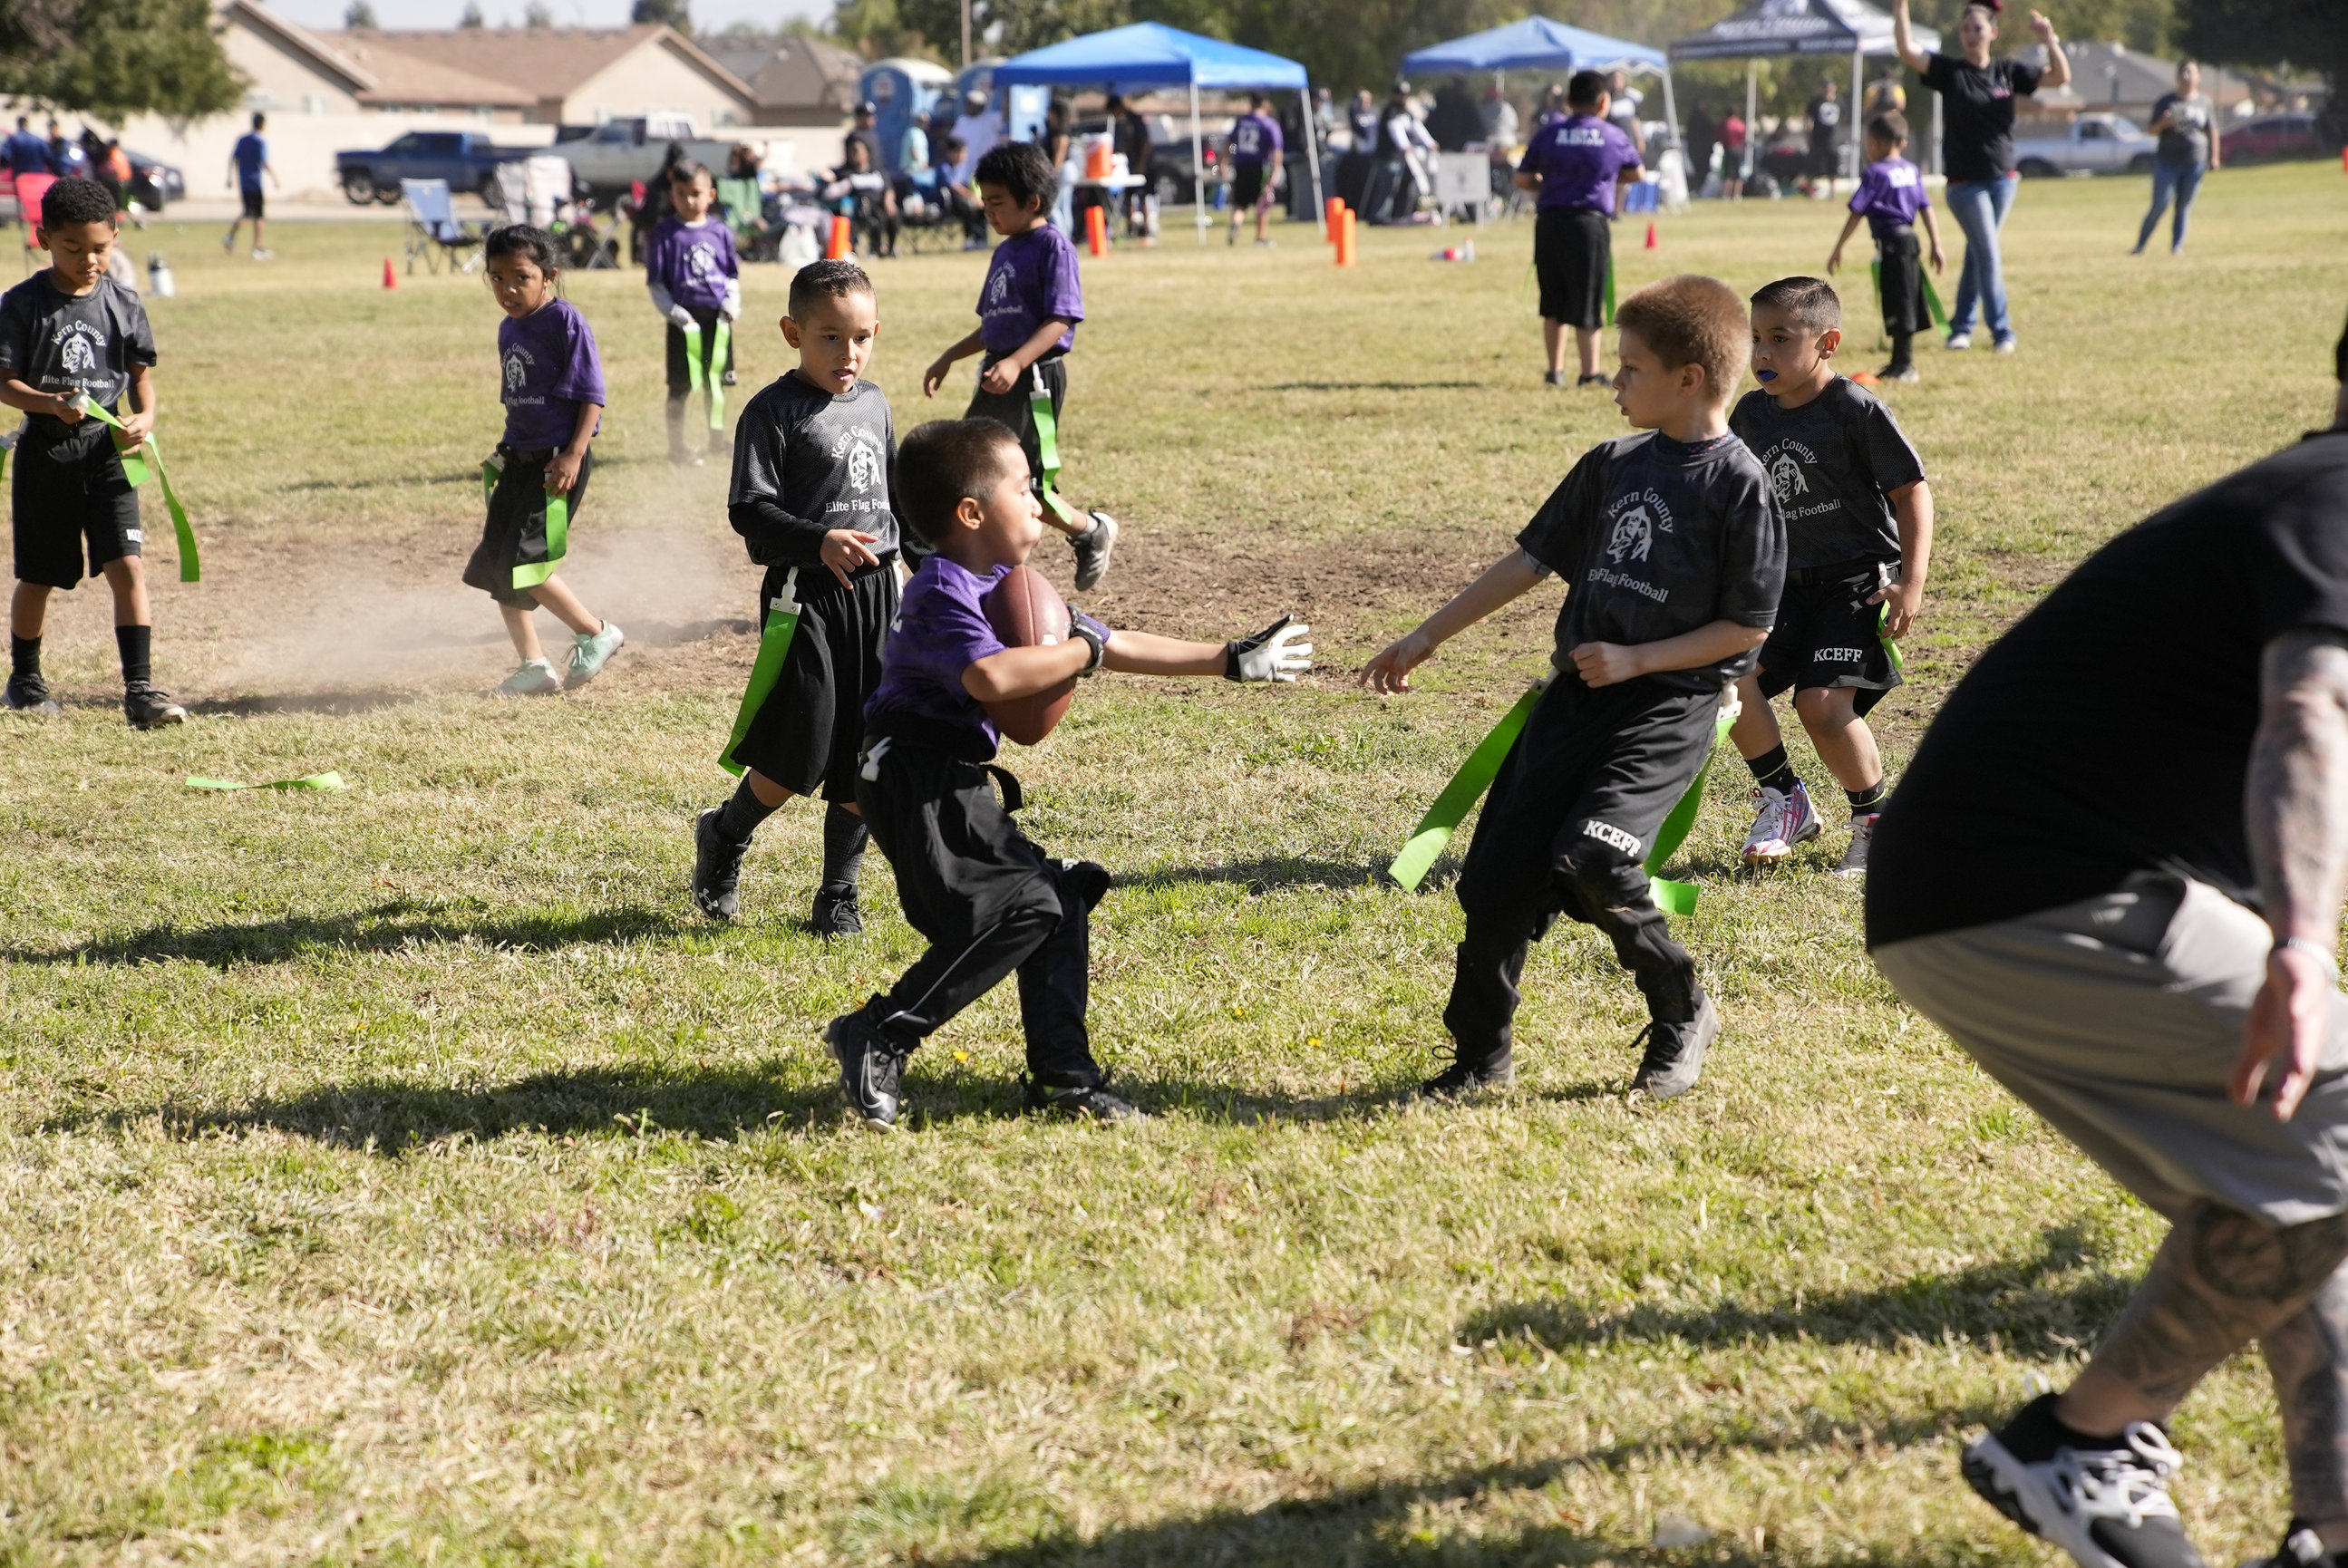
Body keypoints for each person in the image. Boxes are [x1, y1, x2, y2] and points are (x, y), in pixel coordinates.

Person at [1867, 316, 2348, 1568]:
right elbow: (2309, 713)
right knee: (2335, 1127)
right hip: (2042, 880)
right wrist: (2300, 947)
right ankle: (2080, 1436)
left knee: (2291, 1186)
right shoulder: (2333, 495)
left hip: (1997, 885)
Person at [1361, 276, 1785, 1102]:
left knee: (1595, 860)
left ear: (1688, 378)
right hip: (1572, 704)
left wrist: (1637, 660)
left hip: (1667, 711)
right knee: (1492, 885)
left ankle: (1682, 1008)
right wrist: (1425, 636)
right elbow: (1529, 561)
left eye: (1630, 369)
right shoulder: (1612, 464)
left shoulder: (1740, 487)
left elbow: (1747, 631)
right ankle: (1480, 1060)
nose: (1616, 383)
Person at [824, 417, 1312, 1130]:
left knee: (1058, 898)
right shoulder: (942, 588)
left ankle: (1064, 1078)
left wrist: (1230, 658)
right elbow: (990, 677)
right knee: (1025, 907)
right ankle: (880, 1030)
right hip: (912, 776)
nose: (1039, 505)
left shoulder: (1003, 584)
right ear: (971, 513)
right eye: (1024, 490)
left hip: (947, 776)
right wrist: (1081, 653)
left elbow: (1118, 644)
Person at [692, 259, 900, 936]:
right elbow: (749, 512)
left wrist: (930, 574)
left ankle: (837, 897)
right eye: (830, 338)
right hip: (804, 596)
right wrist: (817, 542)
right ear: (792, 333)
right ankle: (725, 833)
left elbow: (896, 509)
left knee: (867, 751)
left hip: (877, 598)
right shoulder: (771, 411)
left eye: (861, 337)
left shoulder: (875, 403)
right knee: (796, 752)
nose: (849, 353)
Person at [1725, 276, 1932, 876]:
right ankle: (1785, 797)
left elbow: (1911, 492)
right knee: (1732, 685)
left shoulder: (1853, 408)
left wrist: (1911, 582)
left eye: (1780, 339)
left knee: (1820, 705)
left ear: (1828, 343)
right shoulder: (1749, 415)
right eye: (1756, 339)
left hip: (1855, 580)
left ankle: (1873, 822)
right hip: (1782, 584)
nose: (1763, 354)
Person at [0, 178, 184, 729]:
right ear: (44, 239)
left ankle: (140, 690)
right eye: (72, 249)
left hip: (110, 456)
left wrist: (145, 418)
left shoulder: (124, 302)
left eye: (100, 249)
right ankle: (25, 681)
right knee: (39, 576)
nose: (88, 261)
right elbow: (4, 383)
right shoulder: (23, 304)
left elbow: (141, 380)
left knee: (127, 566)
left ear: (116, 238)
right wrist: (48, 403)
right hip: (46, 457)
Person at [919, 141, 1119, 592]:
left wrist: (1016, 361)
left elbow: (1061, 319)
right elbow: (993, 325)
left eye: (997, 203)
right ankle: (973, 568)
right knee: (968, 470)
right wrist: (949, 356)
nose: (988, 213)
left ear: (1031, 201)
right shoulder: (1005, 251)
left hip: (1034, 381)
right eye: (984, 202)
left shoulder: (1053, 247)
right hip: (998, 374)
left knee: (1025, 485)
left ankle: (1089, 530)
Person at [469, 225, 624, 697]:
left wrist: (574, 453)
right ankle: (533, 665)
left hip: (558, 464)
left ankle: (597, 632)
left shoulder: (564, 322)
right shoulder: (509, 328)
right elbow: (520, 401)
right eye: (496, 278)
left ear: (548, 276)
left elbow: (590, 396)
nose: (507, 289)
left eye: (520, 277)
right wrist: (505, 449)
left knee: (528, 564)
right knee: (501, 563)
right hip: (520, 461)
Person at [1894, 0, 2070, 353]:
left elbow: (2059, 77)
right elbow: (1907, 50)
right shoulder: (1951, 72)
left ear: (1993, 32)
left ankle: (1960, 329)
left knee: (1979, 255)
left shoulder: (2007, 71)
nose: (1972, 35)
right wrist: (1900, 6)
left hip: (2004, 179)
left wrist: (2050, 41)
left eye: (1978, 28)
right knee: (1988, 253)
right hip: (1964, 184)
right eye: (1966, 29)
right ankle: (2002, 332)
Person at [1517, 70, 1644, 389]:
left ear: (1569, 101)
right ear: (1603, 101)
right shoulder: (1612, 135)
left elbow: (1522, 179)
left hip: (1549, 223)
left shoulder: (1549, 133)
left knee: (1553, 299)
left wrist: (1546, 186)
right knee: (1588, 298)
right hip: (1589, 225)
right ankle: (1589, 372)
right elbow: (1637, 173)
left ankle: (1554, 370)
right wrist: (1606, 180)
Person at [1828, 111, 1946, 382]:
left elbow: (1857, 211)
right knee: (1903, 300)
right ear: (1902, 143)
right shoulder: (1911, 170)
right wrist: (1936, 244)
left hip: (1892, 244)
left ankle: (1904, 365)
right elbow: (1926, 209)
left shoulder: (1875, 173)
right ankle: (1897, 362)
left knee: (1899, 302)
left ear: (1876, 143)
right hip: (1910, 241)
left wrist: (1839, 247)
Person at [644, 161, 741, 466]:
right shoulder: (665, 233)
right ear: (672, 195)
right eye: (681, 193)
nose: (688, 200)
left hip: (717, 320)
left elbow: (731, 276)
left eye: (695, 193)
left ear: (710, 194)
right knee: (681, 385)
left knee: (716, 383)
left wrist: (731, 306)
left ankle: (716, 439)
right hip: (684, 323)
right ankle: (677, 446)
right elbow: (657, 284)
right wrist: (676, 314)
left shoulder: (720, 231)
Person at [2136, 59, 2219, 256]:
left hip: (2195, 161)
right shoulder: (2166, 101)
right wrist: (2163, 123)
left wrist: (2214, 157)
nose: (2186, 76)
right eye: (2183, 72)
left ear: (2199, 77)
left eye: (2191, 72)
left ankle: (2176, 247)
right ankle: (2140, 246)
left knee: (2183, 205)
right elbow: (2151, 130)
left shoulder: (2204, 102)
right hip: (2167, 160)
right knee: (2160, 204)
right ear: (2177, 76)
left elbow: (2212, 130)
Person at [1225, 92, 1284, 248]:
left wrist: (1222, 162)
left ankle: (1236, 223)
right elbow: (1277, 150)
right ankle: (1260, 237)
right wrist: (1276, 170)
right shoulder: (1268, 124)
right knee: (1263, 202)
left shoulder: (1242, 121)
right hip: (1260, 166)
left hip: (1241, 164)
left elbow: (1228, 142)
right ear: (1265, 104)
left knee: (1240, 203)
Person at [222, 112, 277, 261]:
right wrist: (274, 178)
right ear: (262, 124)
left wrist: (229, 177)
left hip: (244, 182)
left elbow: (234, 158)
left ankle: (232, 236)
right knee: (257, 216)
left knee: (249, 213)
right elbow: (264, 161)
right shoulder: (259, 142)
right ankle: (256, 248)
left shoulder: (243, 140)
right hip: (255, 182)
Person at [1107, 93, 1154, 242]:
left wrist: (1141, 164)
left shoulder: (1135, 120)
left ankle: (1146, 227)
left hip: (1142, 164)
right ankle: (1130, 227)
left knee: (1143, 196)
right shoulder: (1124, 122)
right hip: (1130, 164)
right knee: (1128, 197)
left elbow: (1145, 143)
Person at [936, 134, 986, 249]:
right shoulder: (943, 166)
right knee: (969, 206)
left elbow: (968, 184)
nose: (964, 156)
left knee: (983, 206)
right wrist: (973, 197)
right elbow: (953, 186)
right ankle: (968, 239)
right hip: (948, 202)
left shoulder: (962, 167)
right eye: (962, 152)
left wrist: (978, 198)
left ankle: (980, 238)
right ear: (951, 153)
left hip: (965, 198)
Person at [1037, 98, 1075, 237]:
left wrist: (1054, 172)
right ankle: (1066, 236)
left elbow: (1060, 150)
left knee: (1052, 205)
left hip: (1062, 168)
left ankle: (1060, 235)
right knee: (1064, 206)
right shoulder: (1054, 128)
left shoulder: (1060, 129)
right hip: (1066, 169)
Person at [1805, 77, 1846, 193]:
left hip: (1832, 139)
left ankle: (1833, 191)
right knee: (1812, 165)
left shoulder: (1839, 102)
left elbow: (1843, 117)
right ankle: (1809, 190)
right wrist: (1807, 134)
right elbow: (1808, 118)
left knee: (1832, 165)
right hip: (1817, 138)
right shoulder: (1815, 102)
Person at [950, 89, 1001, 170]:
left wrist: (1006, 92)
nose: (968, 107)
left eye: (972, 104)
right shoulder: (962, 121)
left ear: (981, 106)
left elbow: (1006, 115)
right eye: (968, 103)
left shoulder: (990, 119)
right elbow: (954, 142)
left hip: (985, 166)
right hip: (964, 169)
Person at [844, 102, 885, 176]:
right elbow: (853, 163)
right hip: (861, 177)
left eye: (872, 116)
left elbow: (878, 163)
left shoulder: (873, 135)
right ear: (859, 117)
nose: (872, 119)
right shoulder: (855, 136)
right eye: (868, 116)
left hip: (876, 175)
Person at [1605, 70, 1643, 144]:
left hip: (1629, 141)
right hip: (1613, 142)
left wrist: (1640, 139)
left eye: (1619, 79)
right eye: (1613, 79)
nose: (1616, 82)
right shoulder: (1605, 99)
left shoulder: (1631, 97)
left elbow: (1635, 120)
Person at [1722, 108, 1749, 200]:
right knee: (1739, 174)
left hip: (1730, 150)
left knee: (1729, 174)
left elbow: (1722, 137)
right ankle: (1737, 195)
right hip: (1740, 150)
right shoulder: (1740, 124)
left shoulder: (1727, 124)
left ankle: (1726, 195)